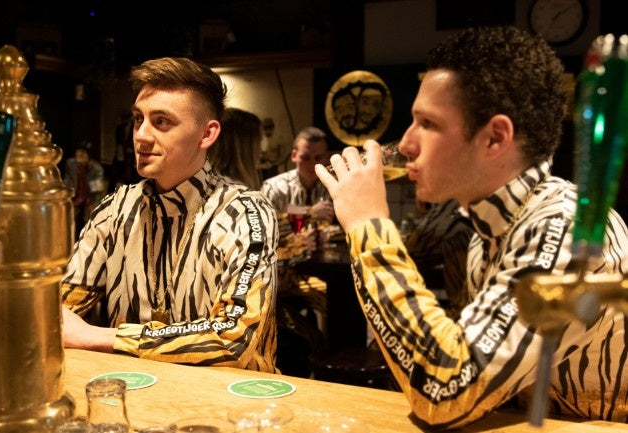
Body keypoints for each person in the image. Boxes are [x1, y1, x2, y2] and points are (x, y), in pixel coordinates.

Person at [315, 26, 628, 428]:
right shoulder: (485, 230)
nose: (406, 143)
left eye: (427, 123)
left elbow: (445, 390)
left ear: (494, 138)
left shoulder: (564, 227)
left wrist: (367, 224)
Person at [60, 56, 280, 373]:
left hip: (225, 396)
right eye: (138, 119)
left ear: (207, 134)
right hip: (135, 389)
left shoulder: (244, 212)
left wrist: (101, 337)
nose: (141, 135)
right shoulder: (114, 210)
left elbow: (237, 341)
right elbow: (59, 314)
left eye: (161, 122)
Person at [260, 126, 334, 223]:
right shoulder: (273, 188)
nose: (312, 164)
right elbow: (264, 225)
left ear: (326, 158)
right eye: (305, 158)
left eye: (318, 158)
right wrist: (310, 212)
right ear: (294, 156)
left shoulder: (333, 186)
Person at [208, 107, 263, 190]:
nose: (260, 151)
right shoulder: (236, 191)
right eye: (259, 142)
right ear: (244, 147)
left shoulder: (211, 183)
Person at [62, 143, 106, 237]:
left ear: (89, 156)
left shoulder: (96, 169)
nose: (80, 154)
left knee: (93, 218)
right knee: (67, 216)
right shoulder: (70, 164)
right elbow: (67, 182)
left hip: (90, 198)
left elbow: (97, 191)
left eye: (83, 152)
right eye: (78, 151)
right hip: (75, 197)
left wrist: (93, 205)